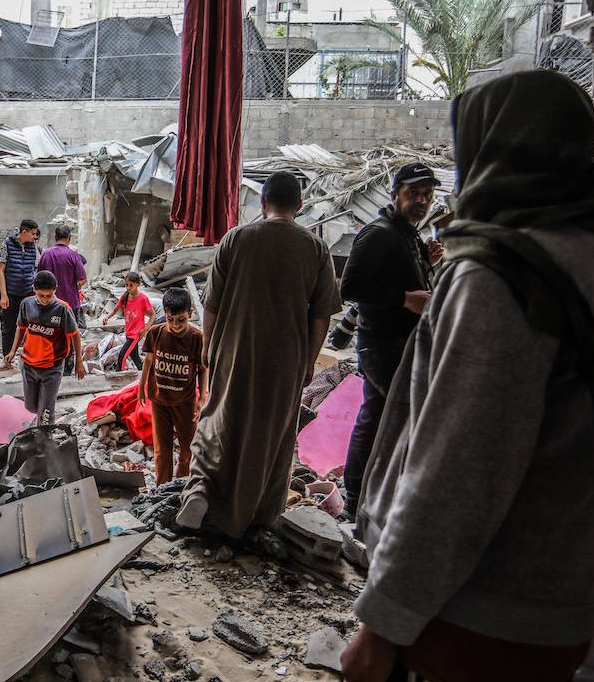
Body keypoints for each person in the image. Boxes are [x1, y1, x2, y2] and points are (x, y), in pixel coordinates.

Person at [341, 71, 594, 682]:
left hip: (478, 611)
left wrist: (385, 620)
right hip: (564, 595)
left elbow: (456, 467)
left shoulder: (501, 275)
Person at [176, 171, 341, 538]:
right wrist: (309, 360)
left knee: (219, 421)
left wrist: (208, 347)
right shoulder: (315, 248)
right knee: (272, 433)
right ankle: (259, 515)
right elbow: (321, 316)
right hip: (286, 356)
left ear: (262, 203)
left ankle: (202, 489)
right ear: (299, 205)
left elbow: (212, 303)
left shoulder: (235, 239)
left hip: (233, 349)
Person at [338, 162, 444, 518]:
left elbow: (398, 277)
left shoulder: (408, 234)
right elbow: (350, 287)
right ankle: (360, 499)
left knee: (379, 415)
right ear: (395, 192)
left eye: (427, 194)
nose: (422, 200)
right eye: (414, 192)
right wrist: (404, 298)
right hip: (382, 344)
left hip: (400, 342)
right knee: (394, 416)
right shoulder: (379, 232)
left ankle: (364, 498)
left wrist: (425, 264)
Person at [139, 288, 207, 485]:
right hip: (159, 401)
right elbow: (149, 360)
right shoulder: (155, 333)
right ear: (165, 315)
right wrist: (141, 386)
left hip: (185, 402)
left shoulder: (197, 338)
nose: (176, 325)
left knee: (187, 451)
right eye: (171, 319)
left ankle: (179, 488)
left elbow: (202, 369)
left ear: (190, 314)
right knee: (162, 452)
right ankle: (162, 490)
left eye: (182, 320)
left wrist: (202, 398)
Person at [4, 270, 86, 423]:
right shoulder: (26, 304)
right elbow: (20, 328)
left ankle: (45, 439)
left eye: (49, 296)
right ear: (34, 290)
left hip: (52, 368)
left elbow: (75, 335)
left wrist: (78, 362)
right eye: (41, 295)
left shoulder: (62, 309)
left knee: (46, 412)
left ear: (55, 290)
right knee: (31, 407)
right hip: (28, 365)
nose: (45, 300)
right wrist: (13, 351)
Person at [37, 225, 88, 372]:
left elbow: (39, 277)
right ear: (69, 238)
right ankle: (67, 368)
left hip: (48, 302)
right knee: (70, 335)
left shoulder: (46, 254)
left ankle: (49, 364)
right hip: (70, 303)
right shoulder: (73, 255)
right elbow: (82, 279)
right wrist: (72, 284)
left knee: (49, 333)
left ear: (55, 238)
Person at [0, 219, 41, 365]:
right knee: (8, 328)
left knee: (30, 327)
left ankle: (29, 361)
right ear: (24, 232)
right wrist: (3, 295)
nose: (34, 237)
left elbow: (35, 269)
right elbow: (0, 270)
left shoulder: (32, 247)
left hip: (28, 293)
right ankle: (6, 360)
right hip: (11, 293)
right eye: (32, 233)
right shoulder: (7, 244)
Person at [103, 272, 155, 370]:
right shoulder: (125, 296)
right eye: (126, 285)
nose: (128, 287)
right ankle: (142, 372)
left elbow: (153, 315)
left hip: (136, 334)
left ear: (138, 284)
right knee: (134, 355)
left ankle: (119, 376)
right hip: (129, 332)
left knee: (122, 355)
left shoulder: (143, 298)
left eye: (131, 285)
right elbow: (115, 309)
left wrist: (145, 329)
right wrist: (107, 317)